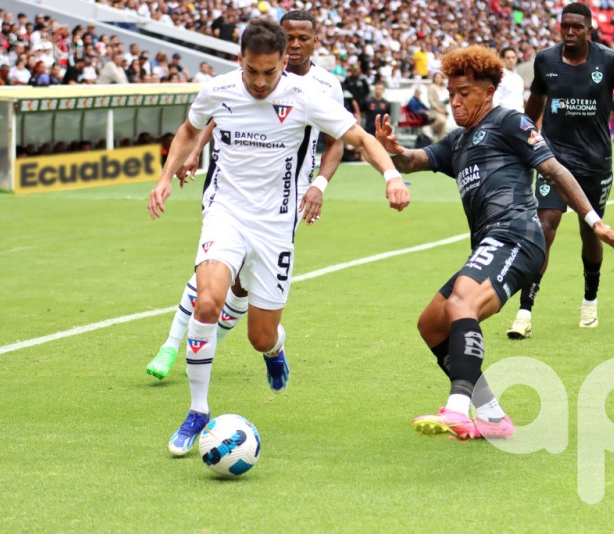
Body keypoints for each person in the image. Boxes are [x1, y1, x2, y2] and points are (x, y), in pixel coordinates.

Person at [147, 17, 410, 456]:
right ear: (241, 60)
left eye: (270, 71)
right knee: (208, 301)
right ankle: (197, 411)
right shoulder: (218, 89)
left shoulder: (306, 95)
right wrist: (164, 178)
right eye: (253, 71)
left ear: (283, 62)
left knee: (260, 336)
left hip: (274, 226)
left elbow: (358, 139)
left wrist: (392, 176)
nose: (262, 81)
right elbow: (190, 130)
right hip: (225, 212)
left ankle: (275, 350)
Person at [374, 45, 614, 441]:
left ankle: (459, 408)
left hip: (518, 235)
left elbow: (555, 169)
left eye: (464, 93)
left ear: (488, 92)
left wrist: (593, 219)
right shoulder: (458, 141)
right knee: (431, 324)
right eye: (451, 93)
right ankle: (494, 417)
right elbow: (416, 160)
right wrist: (394, 151)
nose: (455, 101)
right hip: (490, 244)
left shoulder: (509, 122)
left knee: (462, 303)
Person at [145, 9, 347, 381]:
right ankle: (173, 344)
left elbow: (338, 141)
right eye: (290, 37)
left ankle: (229, 343)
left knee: (243, 284)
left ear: (314, 41)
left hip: (286, 197)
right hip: (232, 185)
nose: (297, 43)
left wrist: (320, 184)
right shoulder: (250, 75)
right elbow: (220, 114)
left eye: (304, 37)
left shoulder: (324, 86)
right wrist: (193, 152)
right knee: (215, 269)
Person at [507, 1, 614, 339]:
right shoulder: (545, 60)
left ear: (589, 29)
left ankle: (589, 301)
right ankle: (524, 312)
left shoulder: (609, 60)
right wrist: (526, 135)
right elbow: (535, 103)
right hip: (555, 160)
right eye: (565, 26)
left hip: (595, 163)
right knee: (545, 227)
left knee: (591, 232)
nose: (570, 32)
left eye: (577, 27)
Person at [492, 46, 524, 112]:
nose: (511, 60)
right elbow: (495, 100)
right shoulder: (500, 77)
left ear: (516, 59)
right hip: (505, 116)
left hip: (519, 114)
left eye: (513, 57)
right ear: (503, 59)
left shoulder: (519, 79)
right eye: (508, 58)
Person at [426, 71, 448, 140]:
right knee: (442, 121)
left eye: (440, 77)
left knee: (443, 128)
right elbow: (431, 100)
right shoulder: (432, 87)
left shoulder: (444, 88)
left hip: (443, 109)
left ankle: (440, 143)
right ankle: (429, 128)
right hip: (435, 110)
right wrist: (437, 108)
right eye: (437, 77)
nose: (438, 79)